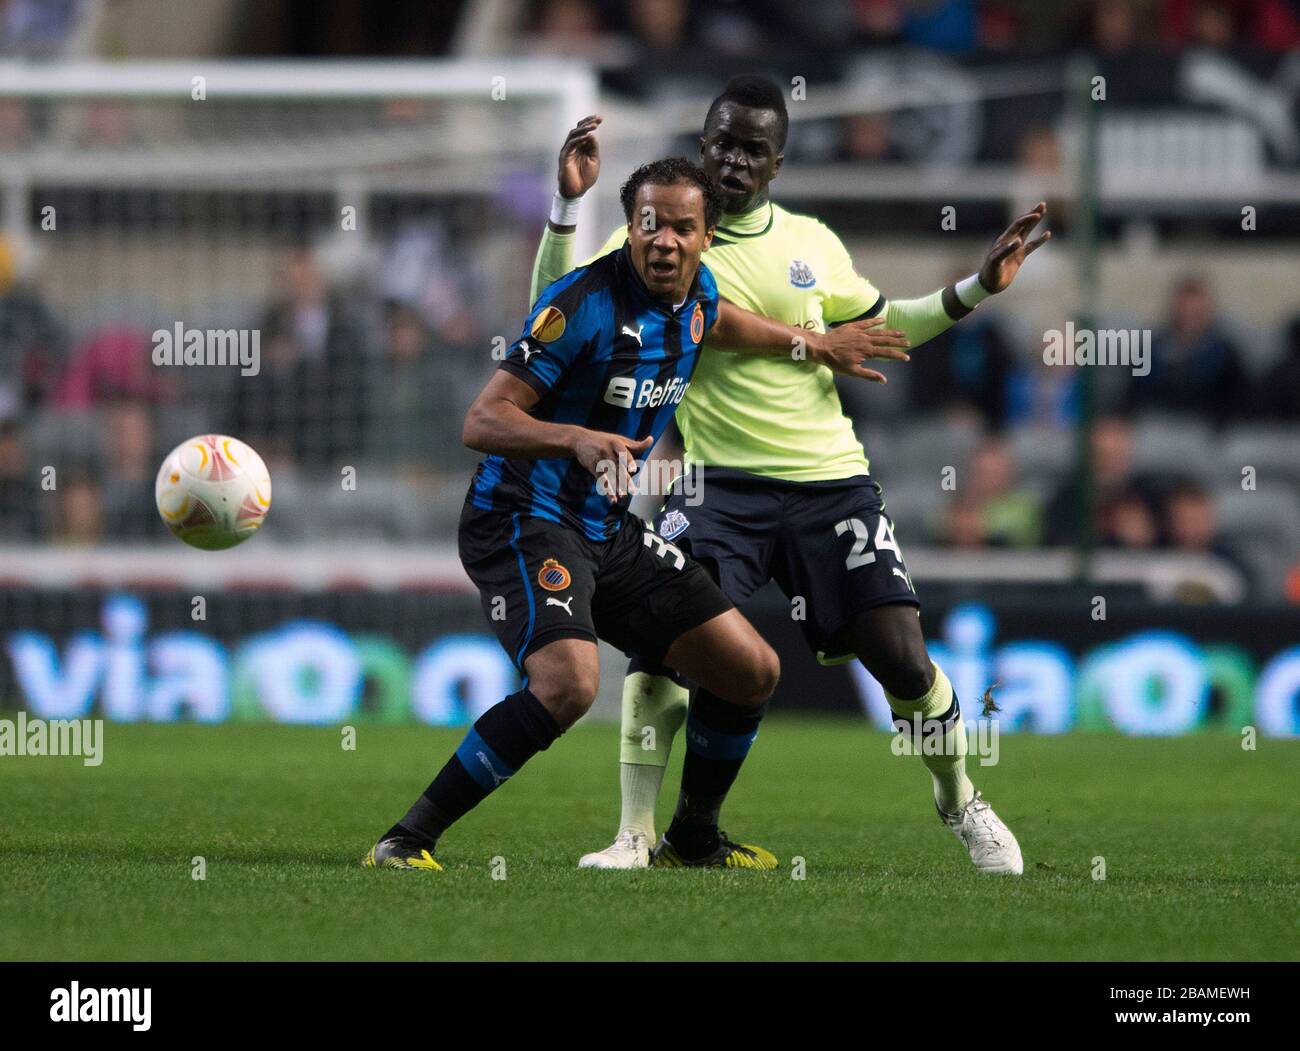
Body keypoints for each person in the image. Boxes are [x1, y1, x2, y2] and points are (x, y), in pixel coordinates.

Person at [534, 76, 1048, 875]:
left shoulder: (813, 242)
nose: (733, 161)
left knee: (906, 660)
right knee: (666, 652)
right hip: (713, 487)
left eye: (752, 150)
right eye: (722, 143)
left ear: (777, 163)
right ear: (702, 146)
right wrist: (566, 212)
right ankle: (638, 835)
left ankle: (960, 800)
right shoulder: (659, 239)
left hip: (829, 482)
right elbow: (552, 310)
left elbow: (882, 328)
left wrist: (974, 288)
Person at [364, 157, 907, 871]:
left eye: (683, 227)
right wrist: (576, 437)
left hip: (607, 528)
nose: (664, 241)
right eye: (650, 224)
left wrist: (815, 344)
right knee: (569, 683)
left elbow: (724, 322)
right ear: (631, 227)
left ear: (707, 236)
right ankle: (405, 840)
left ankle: (694, 838)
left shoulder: (699, 293)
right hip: (525, 515)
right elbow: (482, 417)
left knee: (751, 669)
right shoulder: (581, 304)